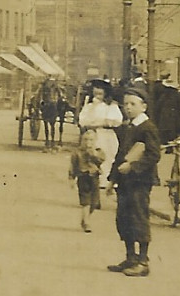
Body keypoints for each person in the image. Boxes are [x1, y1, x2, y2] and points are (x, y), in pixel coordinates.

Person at [106, 85, 163, 277]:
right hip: (125, 180)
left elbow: (154, 155)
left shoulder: (148, 128)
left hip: (140, 181)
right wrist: (112, 179)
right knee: (124, 218)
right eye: (125, 104)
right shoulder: (127, 127)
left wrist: (133, 167)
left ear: (144, 106)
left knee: (139, 217)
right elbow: (121, 155)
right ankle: (130, 257)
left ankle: (143, 261)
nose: (128, 107)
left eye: (133, 104)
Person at [77, 80, 123, 191]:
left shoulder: (110, 106)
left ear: (105, 94)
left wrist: (101, 122)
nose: (97, 97)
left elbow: (116, 120)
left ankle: (107, 180)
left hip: (106, 134)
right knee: (91, 155)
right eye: (95, 94)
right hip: (93, 134)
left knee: (107, 156)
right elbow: (82, 120)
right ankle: (92, 179)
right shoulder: (89, 106)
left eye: (100, 94)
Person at [69, 125, 105, 233]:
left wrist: (94, 154)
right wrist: (71, 178)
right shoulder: (77, 152)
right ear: (81, 140)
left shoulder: (98, 151)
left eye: (91, 140)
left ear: (96, 141)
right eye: (85, 139)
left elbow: (101, 160)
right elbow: (73, 166)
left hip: (94, 177)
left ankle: (85, 218)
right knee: (85, 201)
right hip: (83, 177)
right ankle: (87, 222)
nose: (88, 142)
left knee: (94, 202)